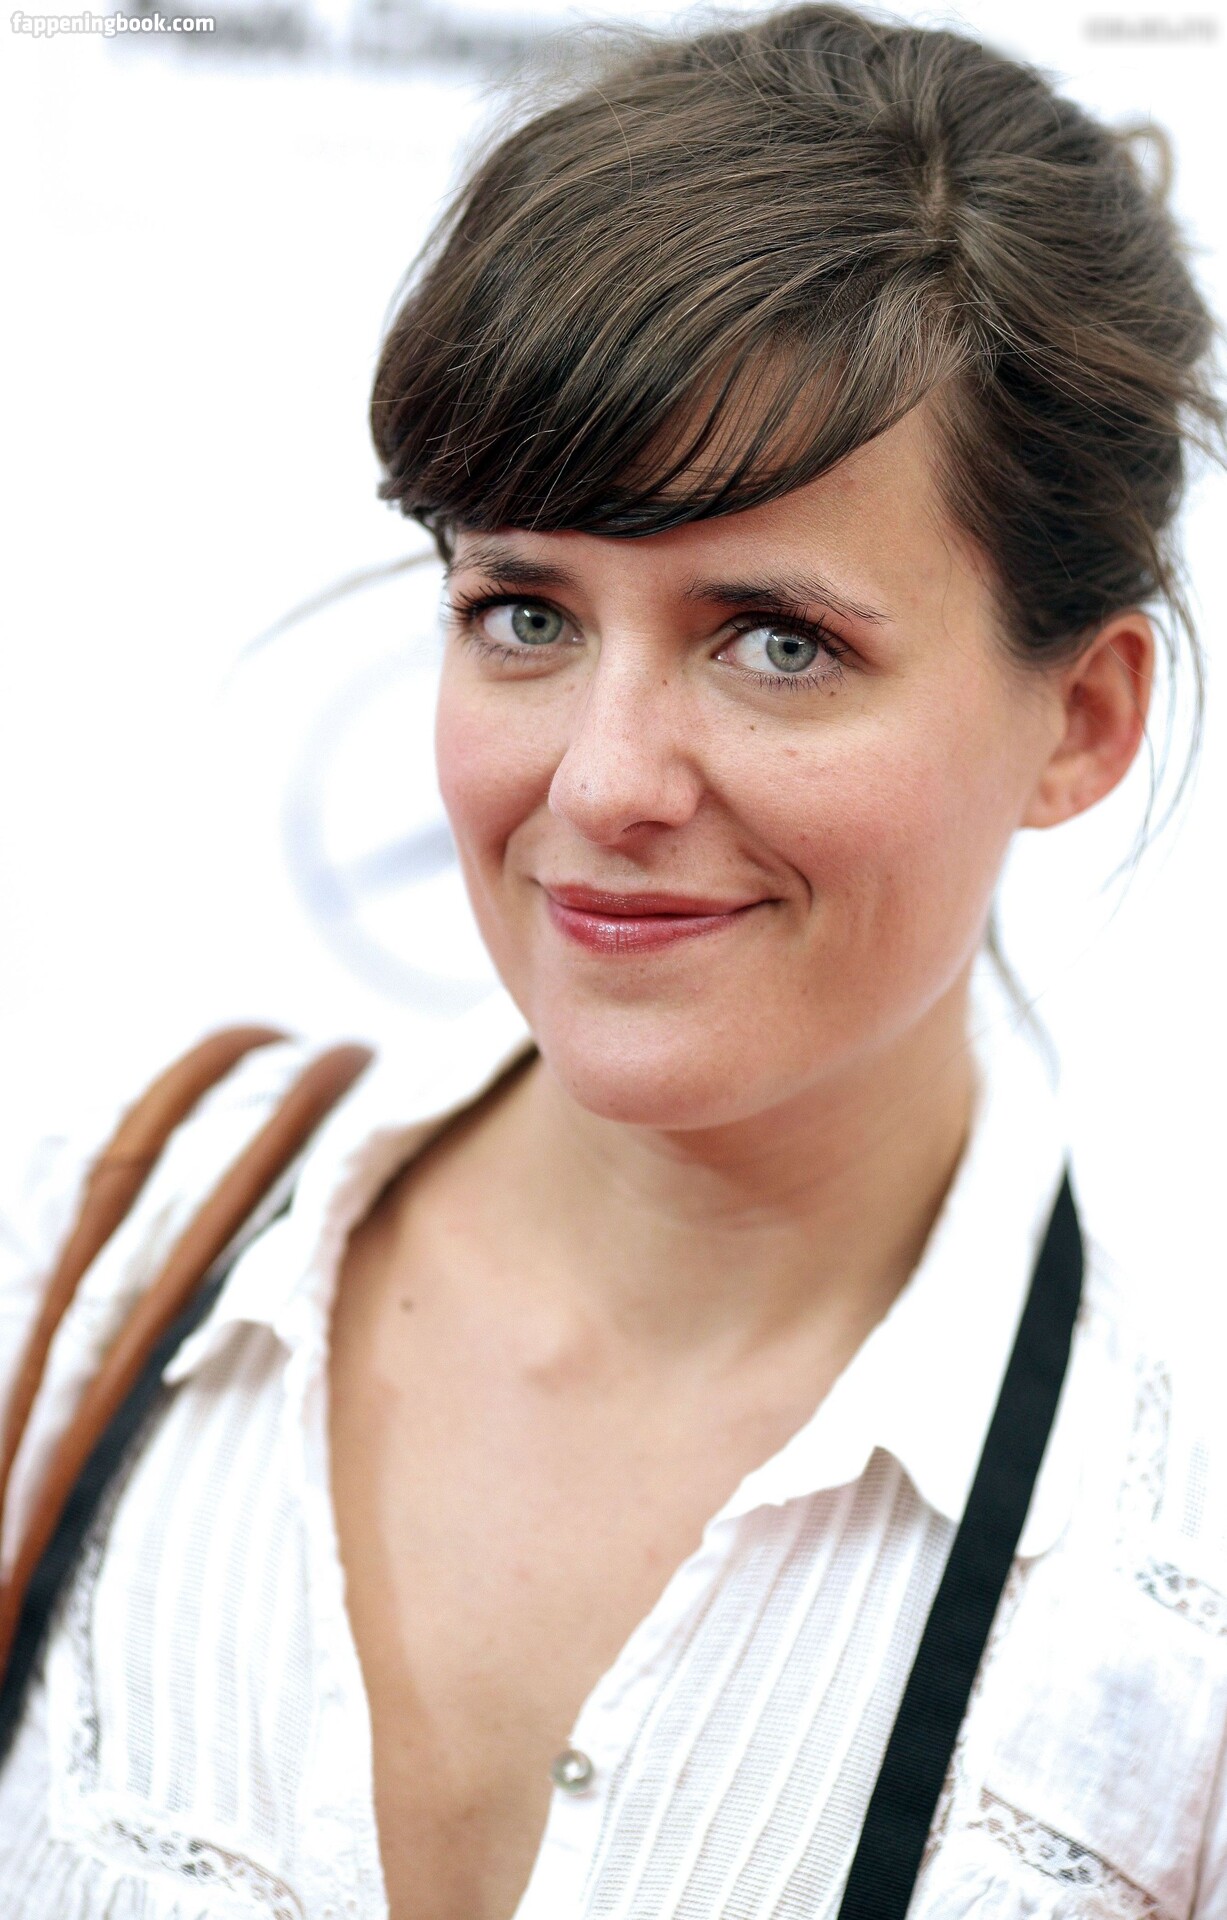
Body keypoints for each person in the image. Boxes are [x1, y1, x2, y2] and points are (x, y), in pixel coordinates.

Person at [0, 5, 1223, 1916]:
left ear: (1081, 718)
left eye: (778, 642)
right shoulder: (76, 1279)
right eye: (525, 613)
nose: (602, 781)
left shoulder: (1173, 1611)